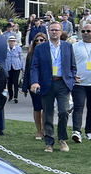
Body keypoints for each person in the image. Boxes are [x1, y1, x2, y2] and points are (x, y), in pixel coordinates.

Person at [30, 21, 77, 152]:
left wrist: (72, 79)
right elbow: (34, 67)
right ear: (48, 32)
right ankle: (49, 142)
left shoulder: (68, 46)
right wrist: (35, 81)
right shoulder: (41, 48)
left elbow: (73, 65)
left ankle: (62, 139)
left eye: (56, 30)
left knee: (63, 111)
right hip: (47, 83)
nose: (54, 32)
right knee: (48, 113)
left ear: (61, 32)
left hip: (63, 83)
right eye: (52, 30)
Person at [23, 32, 47, 139]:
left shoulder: (49, 53)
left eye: (42, 40)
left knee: (46, 108)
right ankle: (38, 131)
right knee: (37, 108)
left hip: (46, 84)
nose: (39, 42)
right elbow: (27, 71)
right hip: (33, 84)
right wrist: (25, 88)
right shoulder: (31, 54)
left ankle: (45, 129)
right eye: (37, 40)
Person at [5, 35, 23, 103]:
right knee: (9, 83)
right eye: (10, 41)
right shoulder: (6, 49)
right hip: (8, 67)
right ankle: (10, 96)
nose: (12, 42)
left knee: (15, 82)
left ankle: (16, 97)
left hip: (16, 66)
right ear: (8, 42)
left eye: (13, 41)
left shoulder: (18, 48)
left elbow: (21, 58)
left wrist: (22, 67)